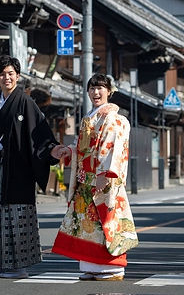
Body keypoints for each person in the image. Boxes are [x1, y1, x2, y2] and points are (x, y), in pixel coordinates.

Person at [0, 54, 63, 279]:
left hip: (18, 170)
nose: (6, 78)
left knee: (16, 216)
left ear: (18, 76)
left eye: (10, 74)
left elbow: (39, 134)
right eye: (1, 74)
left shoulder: (26, 103)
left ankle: (18, 266)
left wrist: (52, 149)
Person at [50, 73, 138, 281]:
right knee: (86, 225)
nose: (95, 92)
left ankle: (111, 268)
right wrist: (70, 151)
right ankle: (91, 267)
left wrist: (105, 174)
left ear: (109, 91)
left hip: (103, 180)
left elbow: (113, 149)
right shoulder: (91, 116)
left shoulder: (114, 119)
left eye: (100, 88)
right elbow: (84, 147)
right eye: (92, 88)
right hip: (85, 179)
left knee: (104, 224)